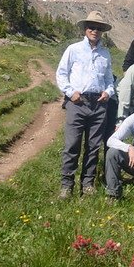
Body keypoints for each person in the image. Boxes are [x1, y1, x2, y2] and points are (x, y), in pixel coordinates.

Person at [55, 11, 115, 199]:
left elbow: (109, 80)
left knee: (93, 146)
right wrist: (70, 92)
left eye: (99, 28)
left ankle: (87, 183)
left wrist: (108, 92)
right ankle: (67, 185)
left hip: (99, 104)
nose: (95, 31)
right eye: (91, 27)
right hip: (77, 102)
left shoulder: (105, 54)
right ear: (85, 29)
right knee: (72, 144)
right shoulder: (73, 49)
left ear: (102, 32)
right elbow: (61, 73)